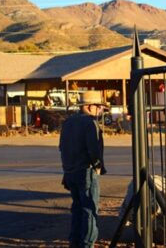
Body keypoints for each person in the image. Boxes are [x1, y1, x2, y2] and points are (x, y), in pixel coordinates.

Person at [60, 90, 107, 248]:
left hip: (70, 171)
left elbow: (62, 148)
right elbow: (93, 149)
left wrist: (66, 171)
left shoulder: (68, 122)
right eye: (98, 106)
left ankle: (75, 241)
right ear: (89, 106)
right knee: (89, 209)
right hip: (86, 171)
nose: (100, 110)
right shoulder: (90, 123)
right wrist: (98, 166)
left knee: (77, 207)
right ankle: (87, 244)